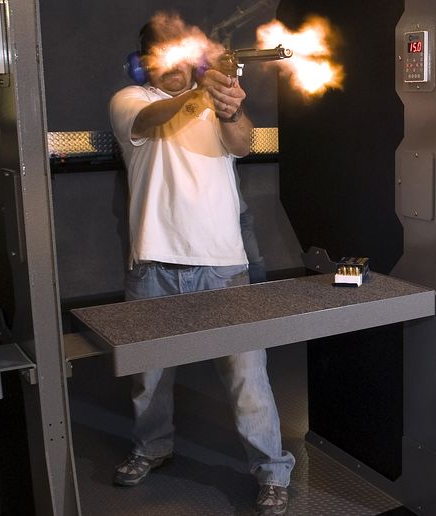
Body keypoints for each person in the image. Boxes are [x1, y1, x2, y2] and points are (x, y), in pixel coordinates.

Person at [108, 22, 294, 515]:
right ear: (144, 61)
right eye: (159, 59)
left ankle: (273, 470)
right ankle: (152, 448)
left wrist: (230, 104)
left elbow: (243, 142)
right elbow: (154, 117)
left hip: (222, 263)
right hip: (153, 263)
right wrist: (202, 94)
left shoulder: (213, 98)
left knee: (247, 378)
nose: (170, 68)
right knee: (149, 377)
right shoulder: (130, 100)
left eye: (178, 58)